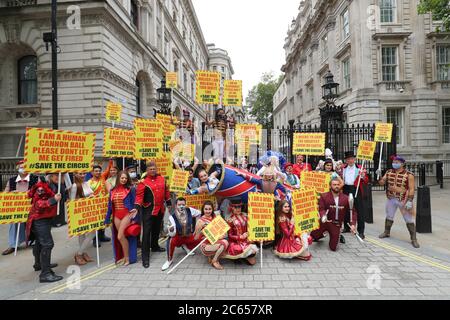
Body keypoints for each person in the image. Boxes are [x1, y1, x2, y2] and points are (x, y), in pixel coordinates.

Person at [134, 161, 171, 268]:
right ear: (147, 170)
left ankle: (155, 246)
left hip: (160, 209)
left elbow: (166, 191)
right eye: (150, 169)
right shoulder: (143, 182)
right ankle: (145, 257)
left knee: (156, 230)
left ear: (156, 169)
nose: (153, 170)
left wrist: (168, 202)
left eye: (154, 169)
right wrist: (136, 207)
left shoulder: (162, 179)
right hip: (148, 210)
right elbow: (139, 196)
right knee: (146, 233)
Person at [377, 156, 419, 248]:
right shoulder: (388, 172)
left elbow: (411, 189)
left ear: (402, 163)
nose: (394, 163)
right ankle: (386, 232)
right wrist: (378, 176)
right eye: (394, 162)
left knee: (408, 219)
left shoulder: (409, 175)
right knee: (389, 216)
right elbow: (382, 183)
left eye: (397, 162)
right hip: (391, 198)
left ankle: (414, 239)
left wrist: (410, 201)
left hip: (403, 200)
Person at [26, 180, 63, 283]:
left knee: (39, 242)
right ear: (52, 175)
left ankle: (39, 264)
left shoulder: (51, 184)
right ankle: (45, 274)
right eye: (60, 176)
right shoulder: (41, 187)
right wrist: (53, 200)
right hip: (39, 220)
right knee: (47, 244)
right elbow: (38, 204)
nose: (63, 178)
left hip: (44, 219)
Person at [310, 178, 358, 252]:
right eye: (334, 184)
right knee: (313, 236)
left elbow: (353, 212)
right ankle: (322, 234)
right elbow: (321, 209)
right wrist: (323, 216)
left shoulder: (346, 198)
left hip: (336, 224)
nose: (336, 186)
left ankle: (337, 234)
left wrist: (353, 225)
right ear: (330, 186)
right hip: (325, 221)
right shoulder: (324, 196)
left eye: (338, 185)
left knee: (333, 248)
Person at [2, 160, 38, 255]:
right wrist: (11, 194)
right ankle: (13, 245)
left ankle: (34, 240)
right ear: (17, 168)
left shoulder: (35, 179)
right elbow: (5, 194)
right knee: (14, 222)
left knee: (36, 221)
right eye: (21, 167)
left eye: (25, 166)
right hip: (17, 208)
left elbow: (40, 192)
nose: (23, 169)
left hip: (31, 206)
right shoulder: (12, 180)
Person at [105, 171, 139, 266]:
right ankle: (123, 256)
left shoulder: (131, 189)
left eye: (125, 178)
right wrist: (107, 218)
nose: (124, 180)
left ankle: (128, 258)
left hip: (127, 215)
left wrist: (135, 216)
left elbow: (135, 203)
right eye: (122, 178)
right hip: (116, 216)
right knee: (121, 237)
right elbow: (110, 206)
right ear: (118, 178)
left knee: (120, 236)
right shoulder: (112, 190)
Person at [162, 198, 203, 271]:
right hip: (178, 237)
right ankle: (169, 260)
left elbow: (200, 213)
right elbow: (171, 233)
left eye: (183, 204)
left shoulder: (190, 210)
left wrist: (197, 224)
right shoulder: (172, 217)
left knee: (202, 236)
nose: (181, 206)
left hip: (188, 236)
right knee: (170, 240)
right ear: (176, 206)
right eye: (179, 205)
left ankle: (186, 246)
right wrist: (170, 229)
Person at [194, 201, 229, 270]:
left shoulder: (215, 217)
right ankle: (215, 261)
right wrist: (200, 231)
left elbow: (224, 232)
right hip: (206, 245)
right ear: (203, 210)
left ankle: (214, 259)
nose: (208, 211)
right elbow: (195, 238)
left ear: (212, 209)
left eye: (210, 209)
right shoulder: (200, 221)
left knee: (226, 242)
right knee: (224, 244)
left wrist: (221, 236)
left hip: (216, 241)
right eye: (206, 209)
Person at [69, 172, 95, 265]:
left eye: (84, 173)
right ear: (75, 174)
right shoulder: (75, 186)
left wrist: (92, 197)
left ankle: (82, 253)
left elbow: (91, 194)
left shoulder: (86, 183)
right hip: (79, 213)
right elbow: (72, 202)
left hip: (88, 212)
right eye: (80, 173)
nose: (83, 175)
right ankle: (80, 254)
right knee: (84, 234)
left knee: (89, 233)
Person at [341, 151, 368, 239]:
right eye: (348, 159)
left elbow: (366, 180)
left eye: (352, 159)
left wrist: (363, 176)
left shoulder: (360, 168)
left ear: (354, 159)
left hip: (356, 189)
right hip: (346, 188)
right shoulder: (343, 168)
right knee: (345, 209)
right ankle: (346, 227)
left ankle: (361, 231)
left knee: (360, 210)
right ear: (346, 160)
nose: (350, 160)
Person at [224, 200, 258, 265]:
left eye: (239, 207)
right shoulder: (230, 220)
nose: (238, 209)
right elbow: (230, 235)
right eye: (235, 207)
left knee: (253, 259)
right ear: (231, 208)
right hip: (235, 242)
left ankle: (243, 257)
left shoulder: (245, 216)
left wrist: (249, 233)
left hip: (246, 240)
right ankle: (236, 257)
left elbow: (251, 226)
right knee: (241, 250)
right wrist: (240, 237)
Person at [88, 162, 113, 245]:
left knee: (103, 220)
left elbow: (108, 169)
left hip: (104, 204)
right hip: (94, 205)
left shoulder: (102, 178)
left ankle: (102, 236)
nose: (98, 172)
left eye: (99, 171)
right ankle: (96, 239)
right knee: (96, 222)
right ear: (92, 172)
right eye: (96, 171)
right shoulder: (89, 183)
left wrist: (111, 160)